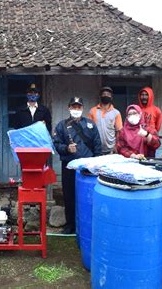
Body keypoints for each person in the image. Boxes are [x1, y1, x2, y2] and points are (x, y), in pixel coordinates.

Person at [53, 97, 102, 234]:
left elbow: (97, 145)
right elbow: (56, 144)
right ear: (69, 108)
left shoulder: (90, 125)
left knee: (87, 196)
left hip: (87, 168)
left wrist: (96, 165)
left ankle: (86, 224)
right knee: (69, 196)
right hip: (69, 166)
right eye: (73, 107)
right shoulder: (61, 125)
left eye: (78, 107)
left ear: (82, 108)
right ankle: (70, 225)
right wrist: (67, 148)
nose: (76, 110)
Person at [87, 86, 123, 154]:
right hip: (96, 148)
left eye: (108, 94)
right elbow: (88, 130)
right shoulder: (92, 111)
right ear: (100, 96)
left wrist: (116, 146)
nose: (106, 96)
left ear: (111, 97)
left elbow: (119, 132)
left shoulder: (116, 113)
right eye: (104, 94)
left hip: (111, 149)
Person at [138, 87, 162, 157]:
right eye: (142, 95)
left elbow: (158, 127)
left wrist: (150, 133)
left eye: (146, 95)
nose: (144, 97)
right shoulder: (136, 109)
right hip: (138, 141)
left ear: (150, 96)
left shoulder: (156, 110)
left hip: (151, 140)